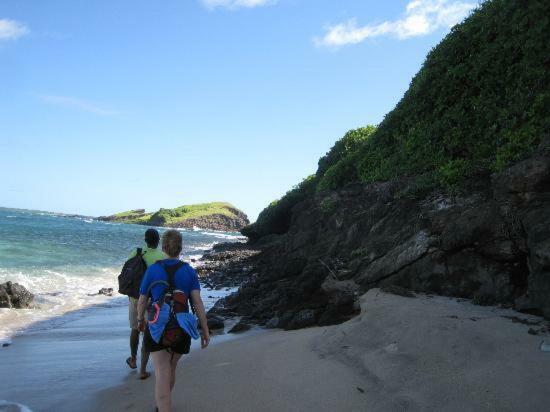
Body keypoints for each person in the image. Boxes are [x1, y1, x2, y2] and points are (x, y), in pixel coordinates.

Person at [137, 229, 210, 412]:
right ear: (180, 248)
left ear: (163, 247)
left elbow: (142, 301)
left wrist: (140, 319)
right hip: (182, 327)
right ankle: (163, 404)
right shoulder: (189, 272)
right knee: (171, 367)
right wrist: (205, 329)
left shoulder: (153, 270)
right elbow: (198, 302)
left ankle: (163, 406)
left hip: (157, 327)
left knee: (162, 371)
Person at [126, 228, 165, 379]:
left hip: (135, 297)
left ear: (145, 240)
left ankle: (133, 359)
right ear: (158, 241)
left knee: (135, 328)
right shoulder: (161, 257)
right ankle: (143, 370)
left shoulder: (135, 252)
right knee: (147, 333)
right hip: (150, 299)